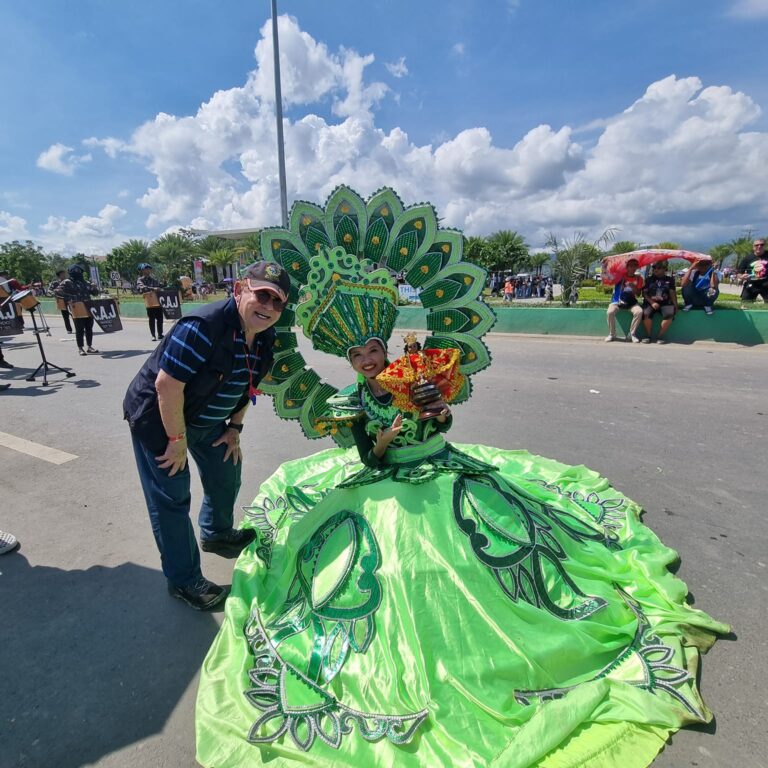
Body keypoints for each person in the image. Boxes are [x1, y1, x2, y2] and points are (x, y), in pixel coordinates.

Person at [194, 190, 726, 768]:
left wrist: (433, 410)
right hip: (387, 481)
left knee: (500, 544)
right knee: (376, 573)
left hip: (445, 472)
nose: (368, 360)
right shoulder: (349, 403)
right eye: (356, 356)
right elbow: (370, 463)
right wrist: (384, 439)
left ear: (385, 346)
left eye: (373, 349)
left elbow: (444, 419)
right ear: (348, 363)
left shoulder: (418, 376)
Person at [123, 261, 290, 611]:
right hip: (161, 420)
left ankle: (216, 533)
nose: (269, 307)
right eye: (262, 295)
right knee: (171, 499)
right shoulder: (203, 327)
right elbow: (166, 386)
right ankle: (183, 580)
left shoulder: (265, 338)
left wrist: (235, 428)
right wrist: (177, 441)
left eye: (278, 302)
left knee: (226, 472)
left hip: (208, 419)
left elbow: (250, 386)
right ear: (239, 290)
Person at [54, 265, 99, 355]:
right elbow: (57, 291)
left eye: (79, 271)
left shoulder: (85, 282)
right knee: (79, 329)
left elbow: (95, 293)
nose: (77, 273)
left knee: (89, 328)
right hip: (76, 308)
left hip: (88, 307)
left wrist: (94, 287)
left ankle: (89, 346)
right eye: (75, 271)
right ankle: (80, 348)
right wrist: (71, 298)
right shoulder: (67, 282)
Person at [605, 257, 644, 342]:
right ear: (626, 267)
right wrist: (606, 264)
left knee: (639, 311)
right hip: (618, 301)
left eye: (635, 266)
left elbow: (638, 294)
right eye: (630, 266)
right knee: (610, 312)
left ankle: (632, 334)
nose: (632, 268)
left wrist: (633, 287)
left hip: (631, 303)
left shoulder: (639, 279)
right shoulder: (620, 276)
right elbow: (610, 279)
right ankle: (612, 334)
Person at [641, 261, 678, 343]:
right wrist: (652, 303)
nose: (655, 270)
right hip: (650, 303)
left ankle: (660, 337)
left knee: (670, 314)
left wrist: (675, 305)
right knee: (645, 314)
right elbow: (644, 293)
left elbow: (672, 293)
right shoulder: (648, 280)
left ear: (664, 269)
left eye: (658, 268)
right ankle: (648, 336)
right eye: (654, 268)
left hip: (665, 303)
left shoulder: (670, 280)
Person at [136, 263, 165, 340]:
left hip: (158, 300)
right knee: (151, 318)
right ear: (142, 270)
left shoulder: (154, 280)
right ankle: (153, 335)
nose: (148, 270)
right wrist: (153, 289)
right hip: (149, 301)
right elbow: (142, 288)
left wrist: (162, 286)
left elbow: (160, 286)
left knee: (160, 318)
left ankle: (160, 334)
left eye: (149, 269)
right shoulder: (140, 280)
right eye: (146, 269)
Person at [736, 239, 768, 304]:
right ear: (753, 247)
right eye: (757, 245)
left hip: (766, 284)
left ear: (764, 246)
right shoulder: (747, 258)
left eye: (762, 245)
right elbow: (738, 273)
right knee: (745, 304)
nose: (759, 246)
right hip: (752, 284)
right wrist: (742, 277)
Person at [48, 269, 73, 334]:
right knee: (65, 316)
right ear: (59, 276)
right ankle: (69, 329)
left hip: (70, 300)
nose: (64, 275)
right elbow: (49, 291)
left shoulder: (69, 281)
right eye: (62, 274)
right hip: (61, 301)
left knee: (74, 315)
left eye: (64, 274)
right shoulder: (55, 283)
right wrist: (55, 292)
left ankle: (79, 328)